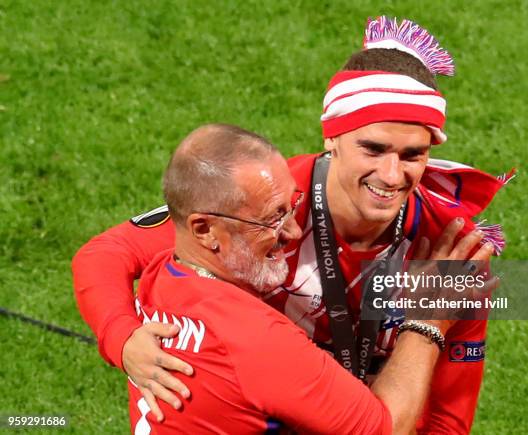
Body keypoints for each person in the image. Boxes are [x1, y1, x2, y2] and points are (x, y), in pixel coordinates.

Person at [73, 16, 512, 433]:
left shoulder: (450, 249)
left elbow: (449, 412)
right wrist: (123, 336)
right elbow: (106, 254)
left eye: (413, 154)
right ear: (332, 137)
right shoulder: (269, 206)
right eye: (373, 149)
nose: (393, 176)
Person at [127, 123, 495, 434]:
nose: (291, 232)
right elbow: (385, 429)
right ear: (205, 230)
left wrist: (117, 334)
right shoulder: (256, 338)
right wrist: (427, 320)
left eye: (292, 208)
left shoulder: (161, 274)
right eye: (272, 218)